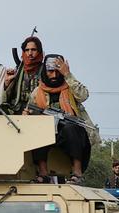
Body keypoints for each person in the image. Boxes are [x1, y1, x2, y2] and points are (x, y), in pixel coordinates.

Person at [25, 54, 94, 185]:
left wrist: (67, 74)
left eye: (58, 71)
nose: (54, 75)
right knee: (39, 128)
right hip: (47, 132)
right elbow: (30, 110)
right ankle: (43, 173)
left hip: (69, 132)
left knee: (71, 128)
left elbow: (84, 95)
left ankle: (77, 173)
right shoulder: (37, 92)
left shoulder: (70, 87)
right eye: (50, 71)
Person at [4, 36, 44, 114]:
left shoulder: (44, 71)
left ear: (39, 51)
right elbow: (7, 97)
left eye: (33, 50)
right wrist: (7, 83)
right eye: (27, 50)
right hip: (17, 109)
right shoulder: (19, 70)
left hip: (37, 110)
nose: (30, 53)